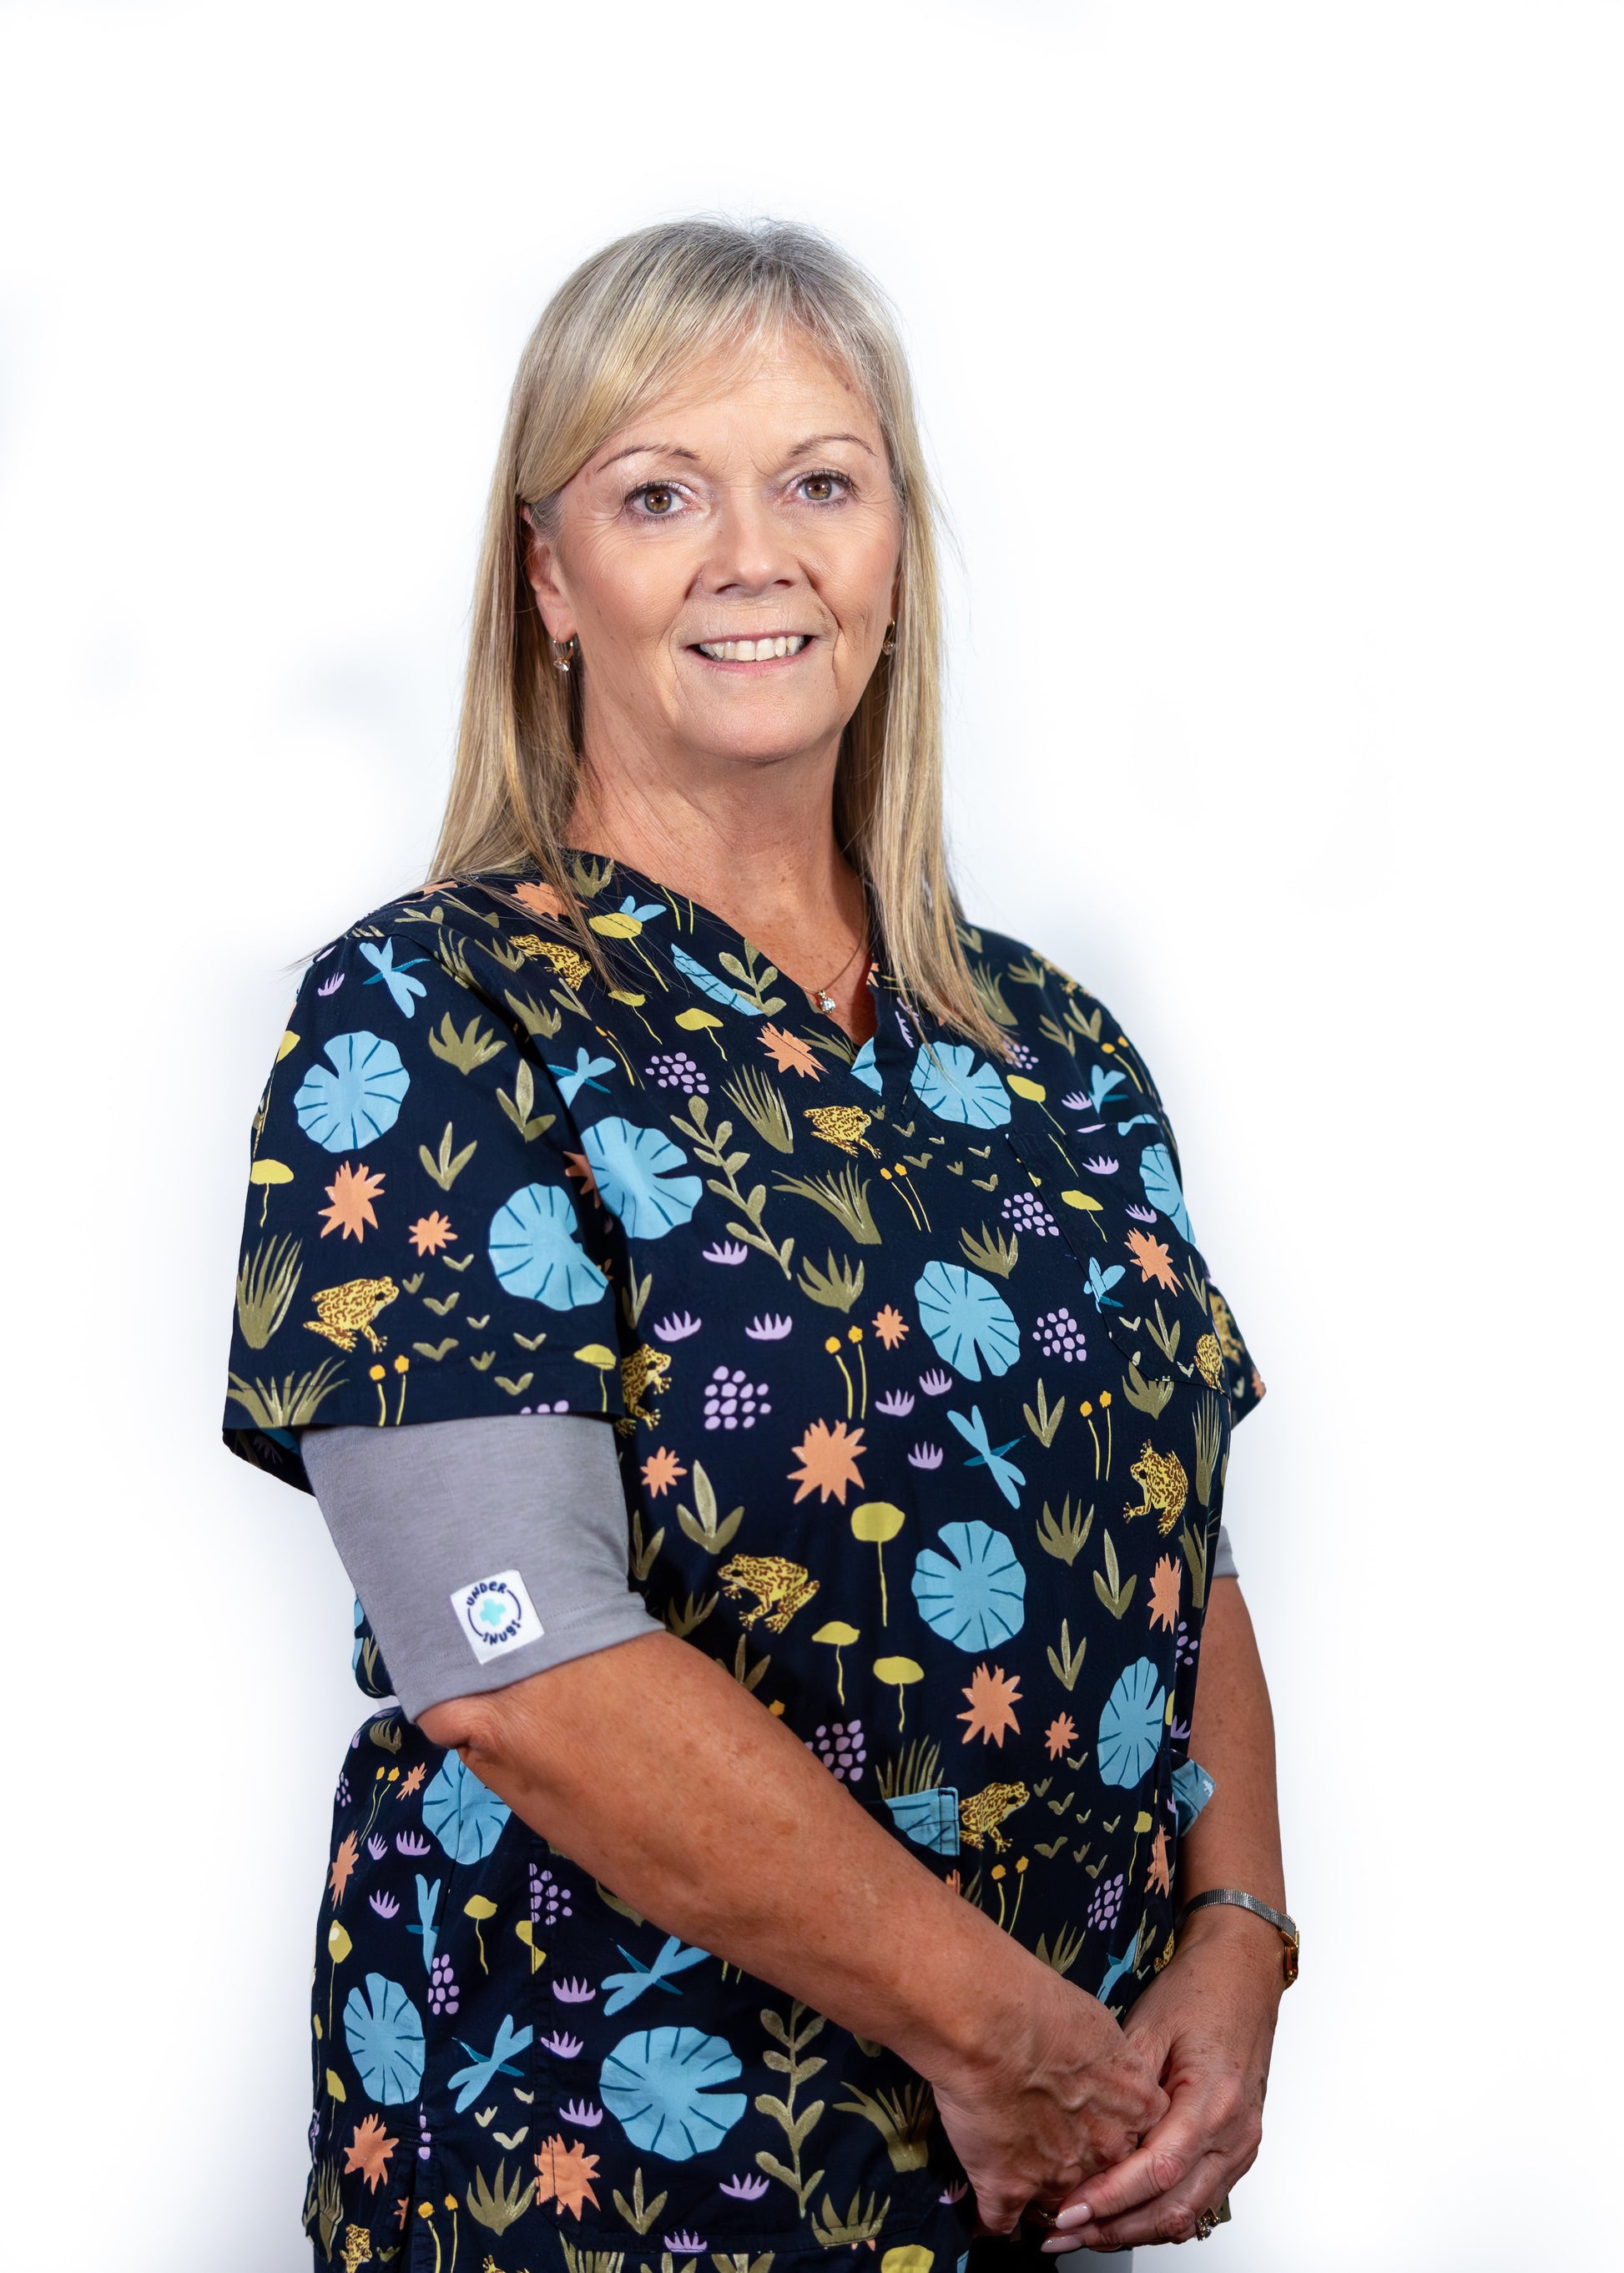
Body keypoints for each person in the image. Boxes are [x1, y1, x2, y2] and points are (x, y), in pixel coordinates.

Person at [224, 219, 1294, 2273]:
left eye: (820, 478)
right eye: (656, 492)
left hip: (1053, 2173)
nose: (754, 552)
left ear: (894, 549)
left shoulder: (1047, 1041)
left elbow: (1191, 1548)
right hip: (612, 2165)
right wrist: (1005, 2044)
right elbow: (512, 1658)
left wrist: (1236, 1950)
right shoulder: (434, 1017)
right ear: (550, 578)